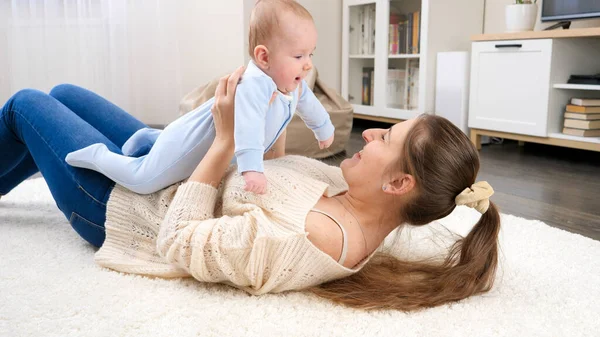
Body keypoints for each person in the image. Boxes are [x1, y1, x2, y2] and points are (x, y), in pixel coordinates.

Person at [0, 66, 500, 311]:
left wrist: (222, 143)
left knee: (25, 106)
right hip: (161, 171)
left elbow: (180, 241)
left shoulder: (306, 240)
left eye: (385, 137)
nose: (369, 133)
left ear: (399, 182)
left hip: (124, 207)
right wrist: (269, 111)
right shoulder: (358, 200)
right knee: (63, 95)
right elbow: (268, 180)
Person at [64, 0, 335, 195]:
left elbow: (309, 103)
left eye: (311, 54)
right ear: (264, 57)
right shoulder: (255, 85)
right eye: (299, 56)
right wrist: (252, 169)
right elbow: (249, 129)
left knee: (167, 145)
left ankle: (148, 136)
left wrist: (323, 128)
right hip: (186, 143)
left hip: (190, 135)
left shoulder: (291, 83)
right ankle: (99, 155)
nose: (308, 64)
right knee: (143, 179)